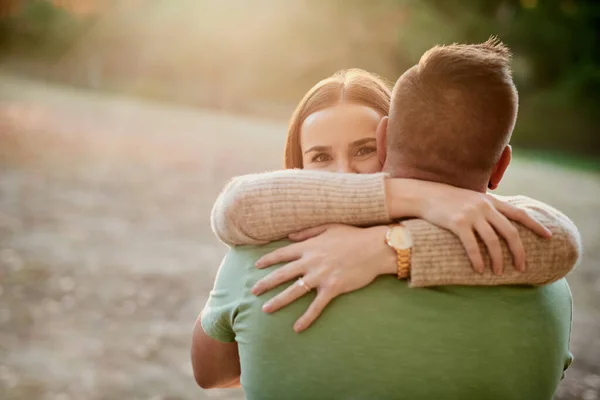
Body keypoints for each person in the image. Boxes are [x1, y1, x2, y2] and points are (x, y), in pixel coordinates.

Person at [193, 40, 580, 399]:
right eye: (321, 158)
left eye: (363, 150)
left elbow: (559, 240)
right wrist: (420, 195)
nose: (345, 175)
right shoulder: (545, 286)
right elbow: (236, 207)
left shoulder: (257, 261)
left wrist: (389, 249)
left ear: (388, 139)